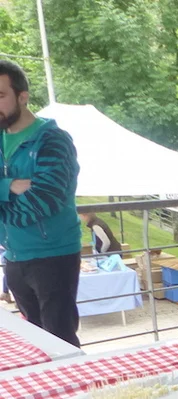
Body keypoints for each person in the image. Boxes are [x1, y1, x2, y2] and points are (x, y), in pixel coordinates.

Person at [0, 60, 82, 346]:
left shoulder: (53, 141)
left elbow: (43, 202)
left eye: (0, 95)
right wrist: (9, 186)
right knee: (35, 342)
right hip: (13, 256)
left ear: (22, 97)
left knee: (61, 341)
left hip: (53, 256)